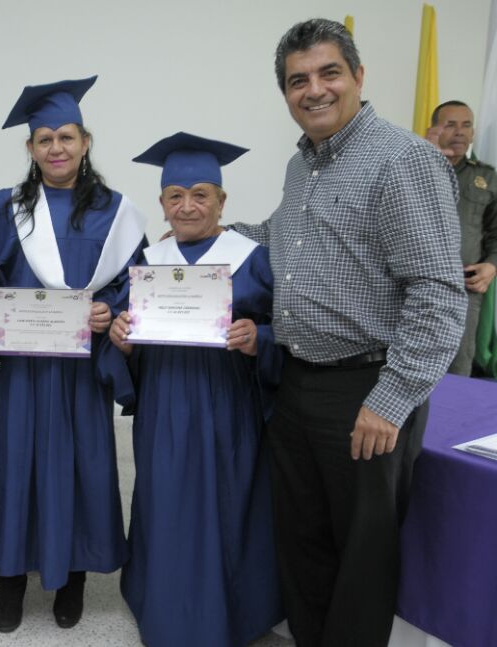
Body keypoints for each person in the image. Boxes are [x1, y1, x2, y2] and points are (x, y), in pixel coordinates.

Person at [228, 19, 465, 647]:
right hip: (300, 381)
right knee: (304, 546)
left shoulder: (403, 159)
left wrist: (390, 401)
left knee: (361, 559)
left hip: (367, 386)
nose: (314, 90)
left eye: (329, 72)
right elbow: (281, 240)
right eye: (297, 80)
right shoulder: (301, 165)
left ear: (359, 76)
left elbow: (438, 295)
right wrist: (201, 245)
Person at [0, 76, 146, 633]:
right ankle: (13, 578)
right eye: (44, 139)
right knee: (19, 467)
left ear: (85, 142)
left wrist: (108, 312)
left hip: (83, 370)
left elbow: (134, 287)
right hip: (25, 368)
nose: (56, 148)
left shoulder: (116, 213)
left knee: (84, 467)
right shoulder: (5, 209)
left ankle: (73, 581)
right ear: (30, 148)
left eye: (66, 137)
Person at [107, 132, 282, 646]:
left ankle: (234, 612)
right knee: (164, 502)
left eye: (201, 194)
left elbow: (289, 332)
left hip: (228, 403)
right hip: (164, 401)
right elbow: (126, 332)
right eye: (176, 196)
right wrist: (120, 339)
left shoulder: (252, 258)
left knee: (231, 504)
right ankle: (163, 606)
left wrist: (259, 339)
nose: (188, 206)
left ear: (222, 200)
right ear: (162, 204)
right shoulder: (147, 264)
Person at [427, 100, 497, 375]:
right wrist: (428, 158)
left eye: (466, 125)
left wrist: (492, 264)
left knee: (457, 369)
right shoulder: (411, 167)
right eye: (450, 124)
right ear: (432, 129)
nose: (459, 132)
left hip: (464, 290)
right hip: (414, 287)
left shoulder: (486, 177)